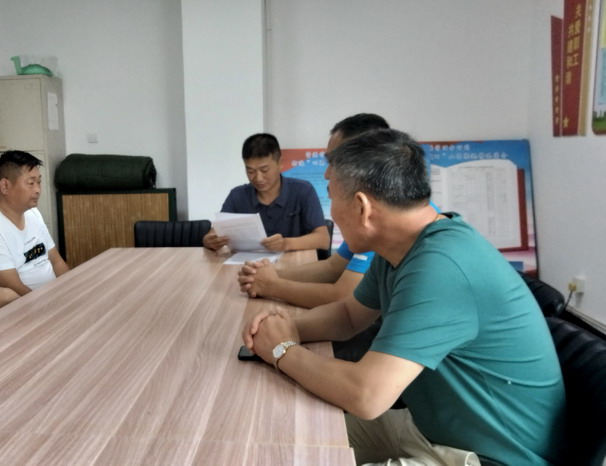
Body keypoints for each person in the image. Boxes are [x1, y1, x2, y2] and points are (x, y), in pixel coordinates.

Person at [242, 129, 565, 465]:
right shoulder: (402, 245)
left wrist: (282, 350)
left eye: (332, 197)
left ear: (362, 207)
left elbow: (367, 395)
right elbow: (349, 315)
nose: (331, 212)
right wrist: (286, 327)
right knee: (281, 440)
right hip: (430, 429)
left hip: (485, 456)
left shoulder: (441, 267)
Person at [237, 114, 390, 310]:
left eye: (333, 162)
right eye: (250, 171)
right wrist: (269, 275)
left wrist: (272, 285)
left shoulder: (379, 224)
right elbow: (332, 267)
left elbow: (342, 298)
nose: (326, 174)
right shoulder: (239, 193)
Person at [0, 150, 69, 296]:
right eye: (31, 183)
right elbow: (15, 290)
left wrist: (72, 291)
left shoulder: (32, 213)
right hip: (15, 305)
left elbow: (57, 262)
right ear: (5, 186)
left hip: (48, 297)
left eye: (39, 182)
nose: (37, 190)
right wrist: (53, 303)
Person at [203, 133, 329, 252]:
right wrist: (209, 240)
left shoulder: (303, 191)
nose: (258, 178)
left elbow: (323, 239)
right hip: (248, 263)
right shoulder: (237, 196)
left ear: (280, 163)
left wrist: (285, 244)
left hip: (294, 263)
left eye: (264, 170)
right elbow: (215, 232)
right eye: (250, 171)